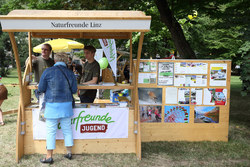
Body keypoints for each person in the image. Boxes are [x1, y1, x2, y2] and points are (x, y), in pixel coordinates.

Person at [38, 52, 77, 164]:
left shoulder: (48, 71)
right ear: (65, 61)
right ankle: (69, 152)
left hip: (52, 105)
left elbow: (41, 88)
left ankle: (49, 156)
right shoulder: (70, 73)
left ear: (55, 60)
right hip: (66, 105)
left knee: (51, 131)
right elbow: (74, 90)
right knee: (67, 129)